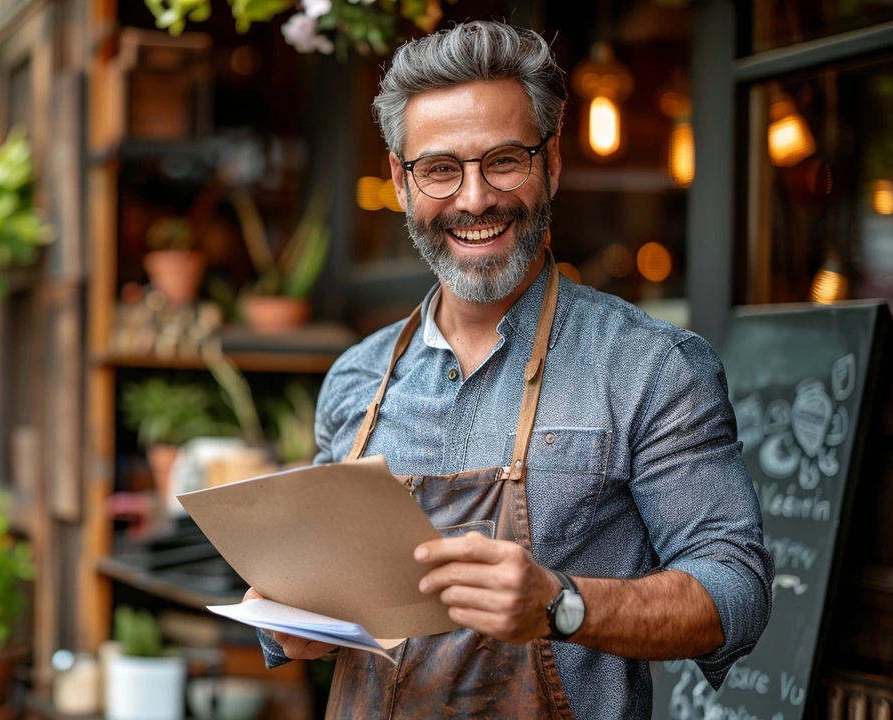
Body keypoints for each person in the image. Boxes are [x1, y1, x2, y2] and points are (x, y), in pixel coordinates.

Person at [247, 19, 774, 719]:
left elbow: (736, 592)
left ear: (550, 162)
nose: (473, 200)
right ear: (401, 182)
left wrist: (563, 604)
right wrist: (291, 625)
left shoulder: (652, 367)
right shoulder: (355, 380)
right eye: (440, 169)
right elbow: (328, 600)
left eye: (503, 160)